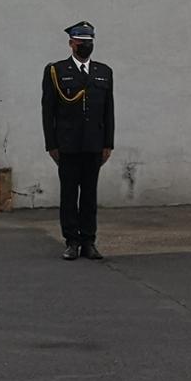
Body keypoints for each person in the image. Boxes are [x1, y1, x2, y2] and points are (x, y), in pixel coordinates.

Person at [41, 21, 115, 261]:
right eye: (82, 42)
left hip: (93, 144)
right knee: (69, 195)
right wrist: (51, 144)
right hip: (68, 145)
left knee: (90, 196)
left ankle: (89, 242)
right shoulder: (57, 71)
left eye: (89, 42)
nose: (86, 46)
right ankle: (71, 241)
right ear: (71, 43)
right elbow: (48, 110)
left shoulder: (103, 72)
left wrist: (108, 143)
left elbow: (108, 111)